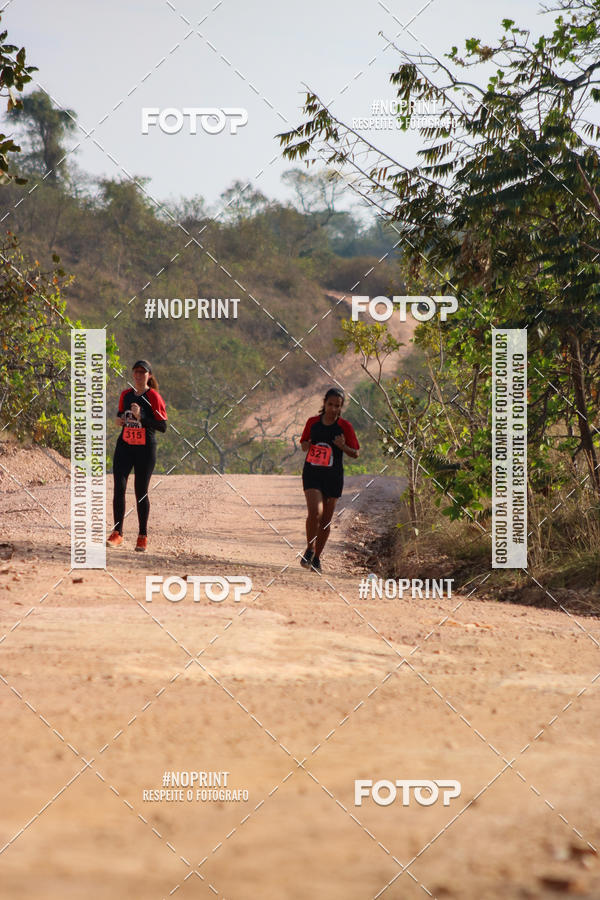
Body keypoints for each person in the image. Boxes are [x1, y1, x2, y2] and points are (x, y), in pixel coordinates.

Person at [106, 360, 167, 552]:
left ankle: (142, 536)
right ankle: (118, 534)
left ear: (149, 375)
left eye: (143, 372)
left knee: (141, 492)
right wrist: (119, 420)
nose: (139, 375)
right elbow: (119, 415)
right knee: (119, 487)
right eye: (136, 372)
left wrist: (142, 418)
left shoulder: (154, 397)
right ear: (133, 375)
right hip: (124, 446)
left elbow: (162, 426)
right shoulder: (126, 394)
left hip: (145, 449)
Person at [299, 387, 360, 573]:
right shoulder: (313, 423)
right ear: (324, 403)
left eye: (337, 406)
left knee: (325, 520)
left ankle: (317, 558)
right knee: (315, 513)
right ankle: (310, 548)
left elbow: (355, 453)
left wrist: (343, 446)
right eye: (330, 404)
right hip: (312, 473)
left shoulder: (345, 427)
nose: (333, 408)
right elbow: (303, 444)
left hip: (333, 477)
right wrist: (307, 445)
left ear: (341, 407)